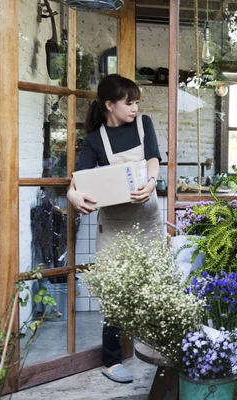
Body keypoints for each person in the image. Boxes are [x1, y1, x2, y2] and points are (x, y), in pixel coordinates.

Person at [67, 74, 162, 384]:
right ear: (110, 105)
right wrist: (72, 195)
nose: (134, 107)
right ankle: (111, 360)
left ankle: (159, 348)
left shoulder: (143, 124)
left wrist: (150, 183)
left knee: (154, 284)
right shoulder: (95, 140)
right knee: (115, 293)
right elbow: (79, 179)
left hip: (147, 221)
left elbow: (152, 160)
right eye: (128, 102)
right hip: (115, 226)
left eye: (136, 102)